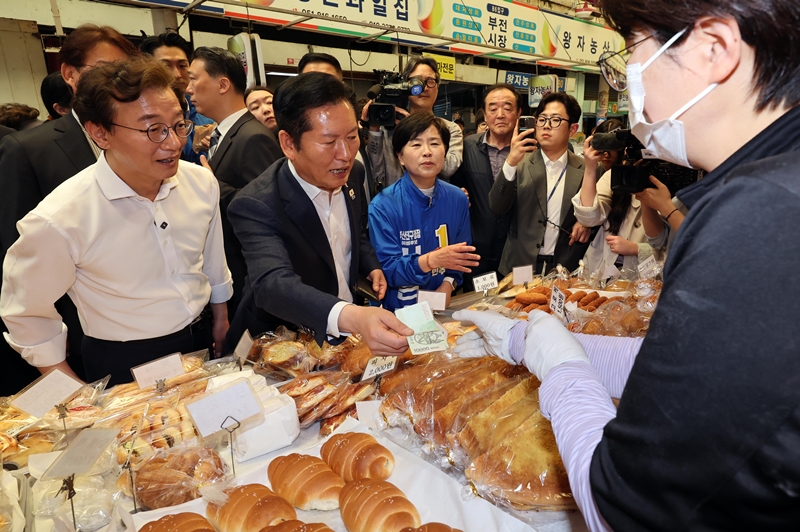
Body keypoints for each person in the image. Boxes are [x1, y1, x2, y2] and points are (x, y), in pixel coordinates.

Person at [456, 0, 800, 528]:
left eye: (632, 56)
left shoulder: (761, 216)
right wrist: (538, 343)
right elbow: (703, 367)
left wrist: (563, 368)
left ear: (715, 49)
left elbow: (621, 503)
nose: (627, 86)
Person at [0, 57, 232, 386]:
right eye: (153, 129)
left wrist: (221, 316)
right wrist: (74, 393)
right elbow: (24, 312)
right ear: (100, 133)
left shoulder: (200, 183)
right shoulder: (61, 218)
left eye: (179, 125)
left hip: (202, 339)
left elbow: (212, 256)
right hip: (127, 360)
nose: (173, 143)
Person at [225, 72, 412, 356]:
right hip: (280, 344)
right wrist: (352, 316)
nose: (346, 154)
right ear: (288, 144)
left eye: (352, 137)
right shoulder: (256, 203)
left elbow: (354, 231)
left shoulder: (353, 174)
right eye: (329, 142)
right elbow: (273, 284)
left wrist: (370, 265)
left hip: (343, 338)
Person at [0, 24, 136, 392]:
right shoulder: (30, 149)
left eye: (124, 69)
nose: (114, 80)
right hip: (76, 334)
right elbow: (17, 253)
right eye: (103, 68)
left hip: (143, 325)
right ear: (70, 75)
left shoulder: (143, 139)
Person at [187, 46, 282, 318]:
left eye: (194, 79)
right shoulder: (224, 134)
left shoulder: (253, 137)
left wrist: (211, 185)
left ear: (223, 84)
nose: (189, 89)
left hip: (249, 281)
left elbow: (269, 212)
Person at [369, 112, 477, 311]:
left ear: (445, 150)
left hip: (440, 307)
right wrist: (430, 261)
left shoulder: (457, 199)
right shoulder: (382, 205)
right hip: (398, 310)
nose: (427, 152)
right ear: (400, 156)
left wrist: (448, 285)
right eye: (416, 144)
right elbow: (388, 270)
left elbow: (461, 258)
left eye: (435, 144)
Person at [489, 92, 592, 274]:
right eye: (542, 119)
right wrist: (511, 162)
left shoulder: (588, 168)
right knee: (519, 303)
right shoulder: (519, 162)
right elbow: (497, 206)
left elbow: (599, 211)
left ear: (572, 129)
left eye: (555, 120)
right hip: (521, 264)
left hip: (565, 265)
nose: (546, 126)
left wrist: (586, 223)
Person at [452, 84, 521, 289]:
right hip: (476, 253)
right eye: (493, 108)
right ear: (484, 114)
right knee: (476, 309)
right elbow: (454, 186)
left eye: (507, 108)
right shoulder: (467, 146)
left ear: (519, 113)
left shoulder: (531, 151)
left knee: (519, 308)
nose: (500, 115)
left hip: (516, 253)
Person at [363, 56, 463, 188]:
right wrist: (374, 130)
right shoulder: (390, 128)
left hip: (434, 203)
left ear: (437, 87)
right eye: (417, 82)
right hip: (395, 204)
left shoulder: (451, 129)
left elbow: (449, 168)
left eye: (430, 81)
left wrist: (415, 126)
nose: (424, 88)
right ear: (404, 86)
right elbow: (374, 169)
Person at [572, 119, 653, 275]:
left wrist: (637, 249)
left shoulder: (665, 179)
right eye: (603, 146)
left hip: (643, 276)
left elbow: (670, 243)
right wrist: (590, 167)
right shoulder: (611, 176)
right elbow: (589, 216)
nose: (606, 154)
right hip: (603, 270)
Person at [140, 32, 215, 165]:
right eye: (166, 66)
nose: (177, 74)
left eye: (182, 66)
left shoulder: (208, 120)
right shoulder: (140, 122)